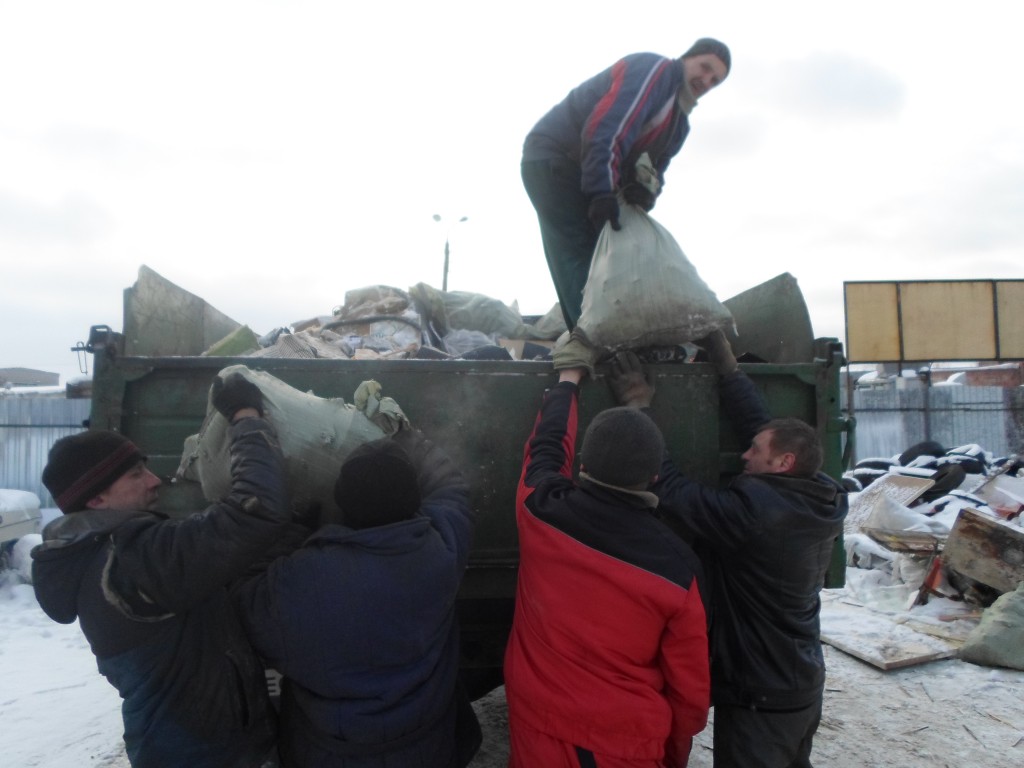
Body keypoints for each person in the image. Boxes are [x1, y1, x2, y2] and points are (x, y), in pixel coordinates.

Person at [607, 333, 849, 768]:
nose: (744, 454)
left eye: (754, 452)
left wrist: (638, 408)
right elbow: (764, 431)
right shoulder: (822, 493)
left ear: (783, 465)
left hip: (762, 694)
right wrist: (730, 371)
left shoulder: (755, 518)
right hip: (798, 682)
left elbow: (674, 490)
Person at [31, 373, 290, 768]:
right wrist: (246, 417)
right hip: (204, 755)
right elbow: (255, 511)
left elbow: (210, 573)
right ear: (97, 498)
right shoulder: (134, 560)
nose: (155, 482)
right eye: (136, 475)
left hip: (177, 748)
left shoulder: (92, 557)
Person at [503, 354, 710, 768]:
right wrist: (672, 754)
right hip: (627, 745)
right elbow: (689, 693)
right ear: (654, 477)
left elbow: (545, 451)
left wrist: (568, 379)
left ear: (582, 466)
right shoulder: (677, 569)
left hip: (538, 731)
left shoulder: (540, 514)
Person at [235, 430, 481, 768]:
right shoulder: (440, 552)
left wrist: (291, 533)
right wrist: (410, 438)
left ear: (341, 502)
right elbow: (452, 490)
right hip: (427, 751)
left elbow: (245, 597)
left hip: (331, 756)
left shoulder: (302, 579)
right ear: (414, 500)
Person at [522, 38, 731, 330]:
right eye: (704, 67)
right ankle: (593, 345)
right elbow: (608, 125)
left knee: (608, 263)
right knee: (581, 256)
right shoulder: (655, 70)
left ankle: (604, 338)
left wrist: (644, 194)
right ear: (686, 58)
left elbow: (656, 172)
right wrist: (601, 191)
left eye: (715, 80)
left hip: (589, 175)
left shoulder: (679, 124)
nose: (706, 80)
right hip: (556, 160)